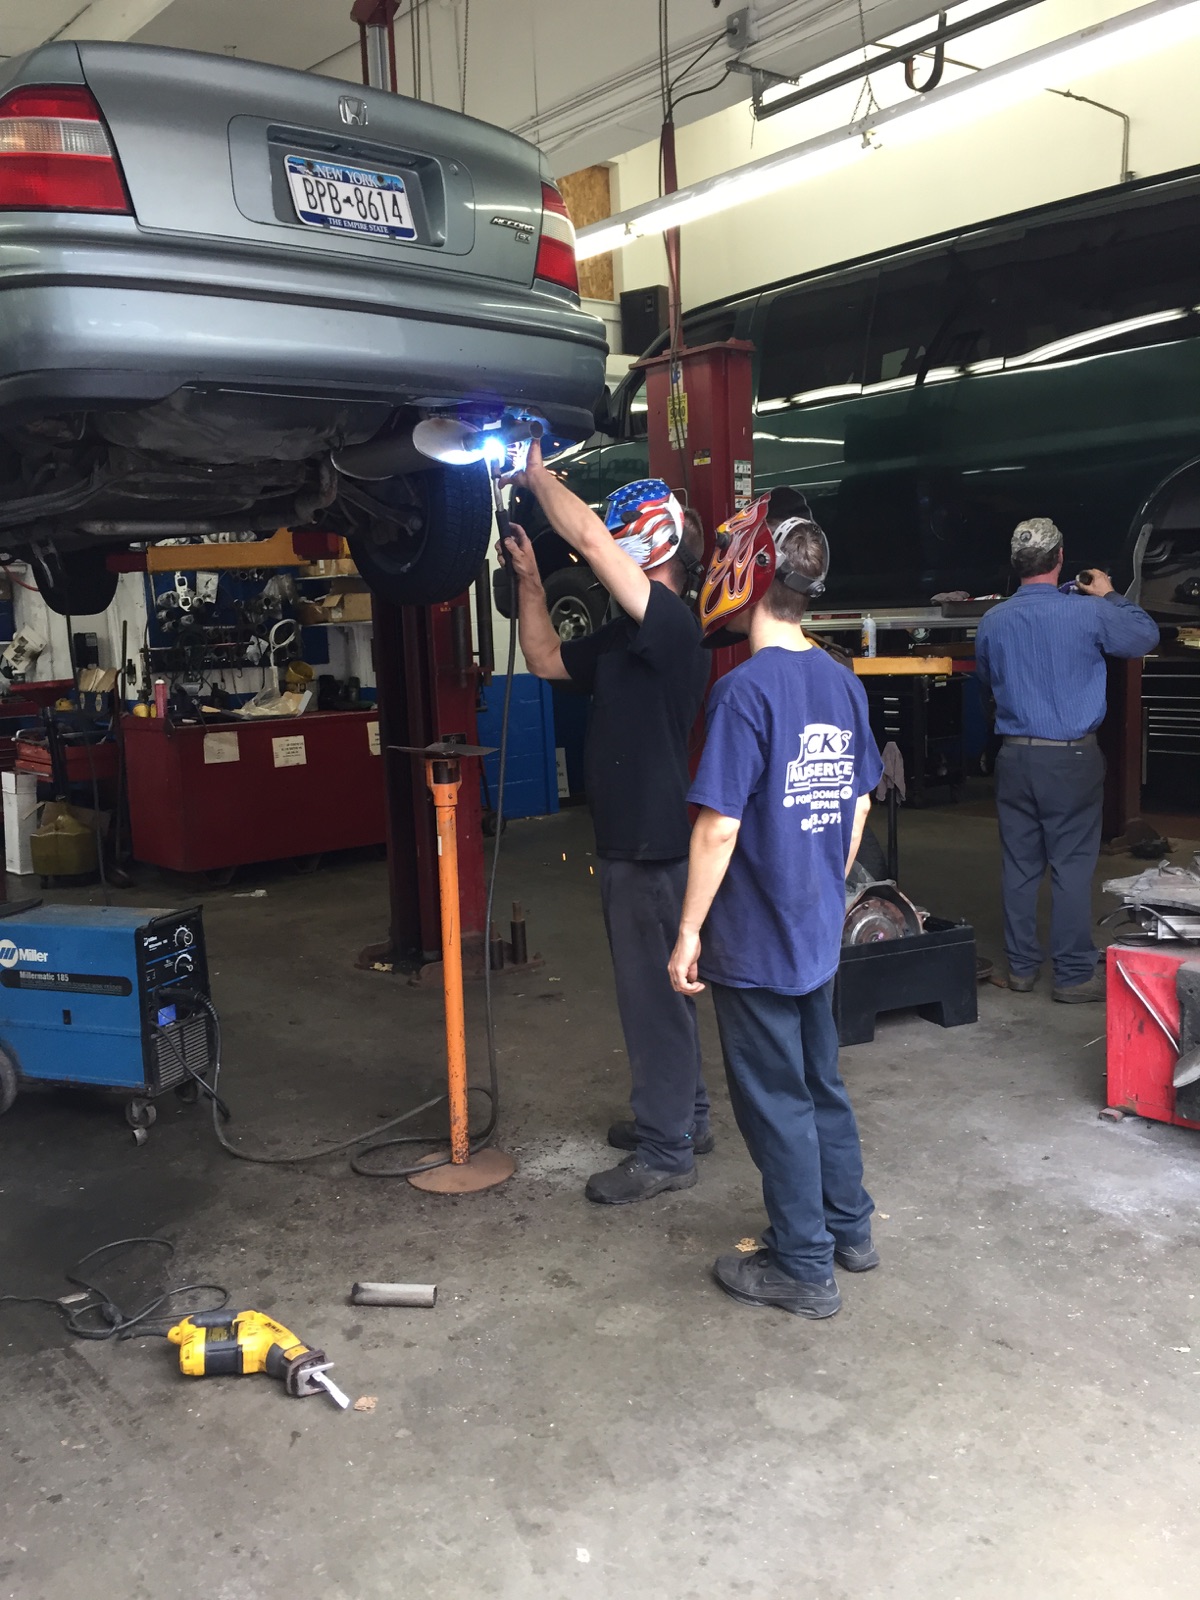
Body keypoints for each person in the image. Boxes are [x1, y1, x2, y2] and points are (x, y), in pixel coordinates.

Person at [668, 494, 882, 1320]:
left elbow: (718, 828)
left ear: (745, 576)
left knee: (775, 1099)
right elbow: (859, 800)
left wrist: (688, 931)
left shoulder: (744, 693)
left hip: (756, 937)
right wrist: (821, 873)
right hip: (816, 923)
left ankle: (803, 1267)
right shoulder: (839, 679)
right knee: (820, 1082)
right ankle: (849, 1229)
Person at [501, 439, 712, 1204]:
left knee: (651, 999)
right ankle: (687, 1116)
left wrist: (535, 474)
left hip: (652, 844)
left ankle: (666, 1151)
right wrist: (529, 580)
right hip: (633, 840)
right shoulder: (627, 637)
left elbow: (589, 536)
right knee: (664, 991)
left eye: (617, 540)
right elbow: (547, 659)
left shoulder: (672, 626)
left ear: (647, 541)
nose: (602, 548)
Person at [974, 518, 1159, 1003]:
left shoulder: (994, 620)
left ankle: (1021, 969)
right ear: (1060, 561)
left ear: (1016, 567)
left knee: (1019, 866)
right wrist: (1110, 595)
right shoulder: (1088, 613)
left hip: (1015, 758)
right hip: (1072, 757)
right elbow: (1144, 638)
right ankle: (1074, 975)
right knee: (1072, 867)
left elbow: (987, 681)